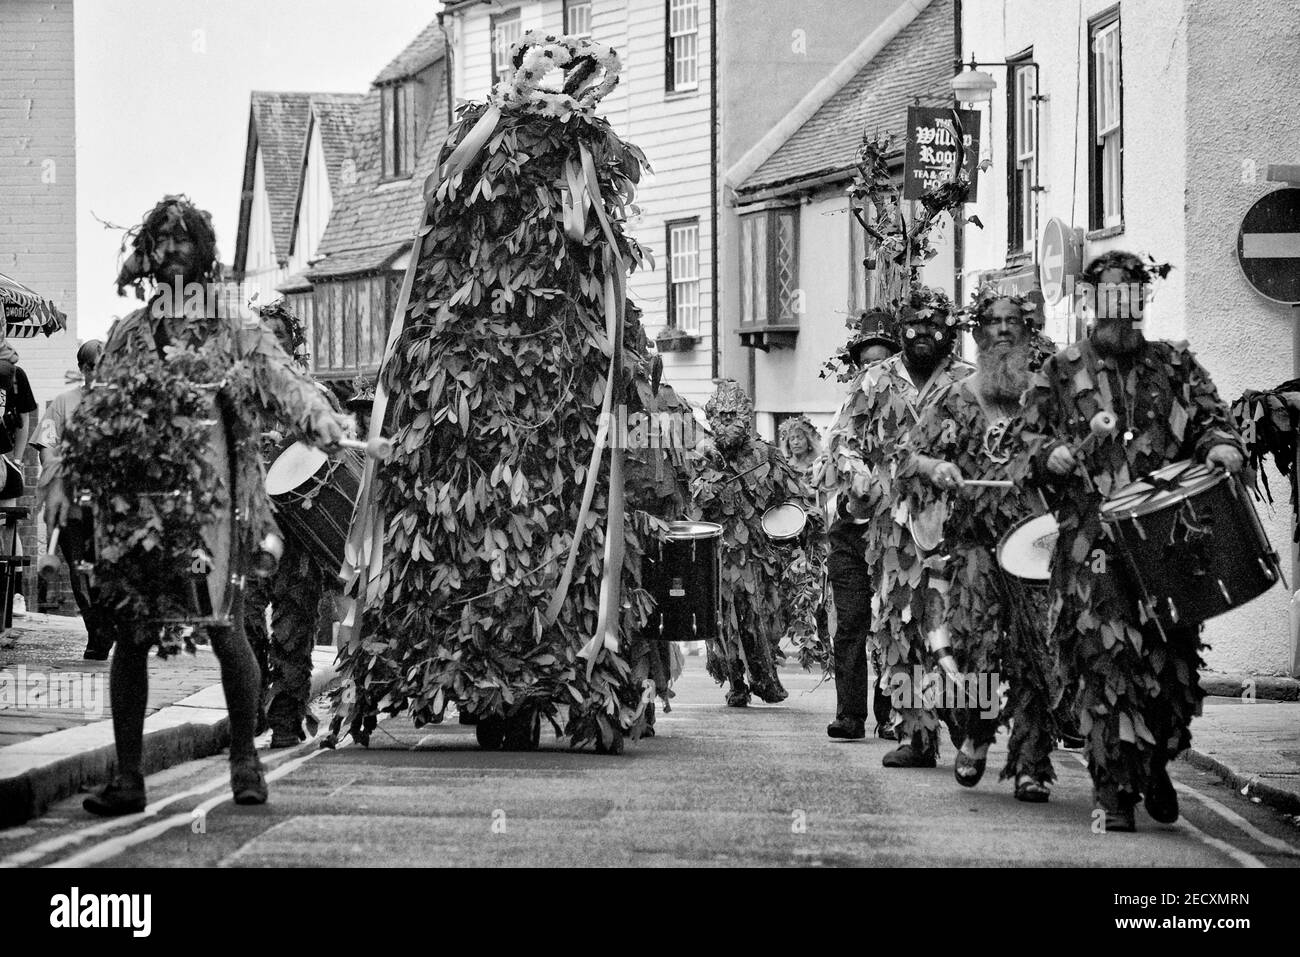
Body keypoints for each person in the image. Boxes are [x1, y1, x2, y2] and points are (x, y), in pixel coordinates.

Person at [45, 195, 351, 815]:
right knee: (130, 635)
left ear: (206, 257)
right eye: (163, 240)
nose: (174, 251)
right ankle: (128, 777)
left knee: (226, 630)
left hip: (215, 510)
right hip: (140, 510)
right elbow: (98, 412)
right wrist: (61, 475)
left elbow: (282, 380)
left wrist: (326, 423)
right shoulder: (130, 337)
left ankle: (245, 760)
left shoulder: (232, 330)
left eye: (186, 241)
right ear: (148, 257)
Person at [1022, 250, 1245, 831]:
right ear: (1092, 303)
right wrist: (1052, 454)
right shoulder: (1059, 369)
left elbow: (1210, 418)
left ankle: (1156, 760)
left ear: (1142, 302)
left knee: (1171, 668)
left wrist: (1221, 443)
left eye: (1130, 298)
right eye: (1109, 299)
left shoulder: (1174, 365)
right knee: (1103, 663)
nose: (1120, 311)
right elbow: (1025, 445)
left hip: (1167, 541)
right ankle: (1115, 790)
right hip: (1091, 544)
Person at [898, 287, 1063, 800]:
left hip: (1038, 547)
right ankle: (975, 733)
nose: (1004, 330)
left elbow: (1082, 454)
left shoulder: (1048, 397)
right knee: (975, 650)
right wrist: (937, 466)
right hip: (974, 546)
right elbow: (910, 459)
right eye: (993, 322)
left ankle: (1032, 762)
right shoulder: (956, 397)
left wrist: (1061, 459)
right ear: (977, 333)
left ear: (1027, 333)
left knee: (1037, 652)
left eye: (1014, 322)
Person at [849, 284, 973, 766]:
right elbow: (844, 440)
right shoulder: (874, 381)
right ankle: (914, 736)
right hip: (893, 530)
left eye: (935, 324)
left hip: (955, 525)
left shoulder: (968, 381)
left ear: (951, 331)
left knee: (954, 626)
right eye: (915, 323)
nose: (924, 332)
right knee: (898, 628)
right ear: (901, 329)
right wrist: (858, 478)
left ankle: (965, 721)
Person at [690, 379, 822, 707]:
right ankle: (736, 680)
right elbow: (691, 499)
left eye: (731, 415)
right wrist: (704, 488)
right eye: (718, 416)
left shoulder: (764, 455)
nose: (725, 423)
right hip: (720, 553)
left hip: (759, 552)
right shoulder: (703, 456)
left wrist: (807, 516)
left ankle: (763, 675)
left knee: (763, 614)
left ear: (746, 416)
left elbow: (791, 492)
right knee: (724, 619)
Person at [813, 307, 901, 740]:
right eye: (868, 360)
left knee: (890, 620)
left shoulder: (905, 412)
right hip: (847, 532)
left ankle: (890, 714)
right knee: (850, 623)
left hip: (889, 532)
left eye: (883, 359)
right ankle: (850, 715)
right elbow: (826, 465)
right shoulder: (844, 412)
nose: (874, 369)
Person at [32, 340, 116, 659]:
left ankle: (104, 627)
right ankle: (97, 633)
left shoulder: (120, 407)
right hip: (70, 501)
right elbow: (46, 446)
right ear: (83, 370)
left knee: (105, 566)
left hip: (108, 504)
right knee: (79, 570)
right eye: (94, 366)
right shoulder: (63, 403)